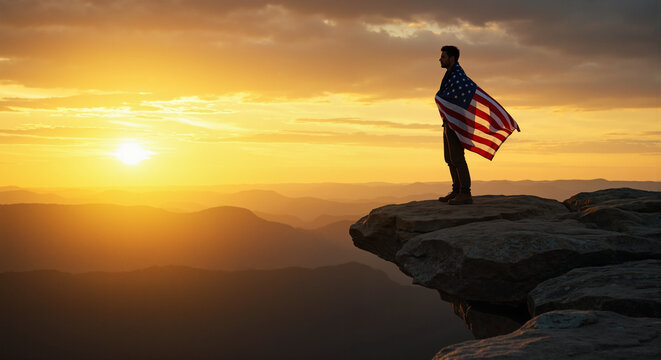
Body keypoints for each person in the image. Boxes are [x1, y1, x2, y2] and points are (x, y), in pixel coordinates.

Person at [437, 45, 473, 205]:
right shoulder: (451, 75)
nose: (440, 59)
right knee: (449, 158)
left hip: (457, 123)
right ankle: (456, 190)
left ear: (451, 59)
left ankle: (465, 193)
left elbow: (459, 98)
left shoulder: (458, 76)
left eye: (443, 57)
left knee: (458, 158)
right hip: (448, 122)